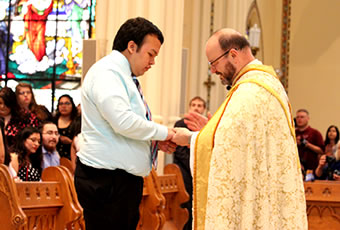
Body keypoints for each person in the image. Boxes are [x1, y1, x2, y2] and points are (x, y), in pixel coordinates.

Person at [171, 28, 307, 229]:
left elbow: (230, 145)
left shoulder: (249, 92)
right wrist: (210, 131)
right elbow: (242, 140)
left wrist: (192, 139)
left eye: (213, 63)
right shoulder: (268, 84)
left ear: (233, 55)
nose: (213, 71)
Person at [74, 17, 176, 230]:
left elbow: (124, 127)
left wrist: (154, 141)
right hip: (107, 179)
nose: (153, 62)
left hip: (118, 179)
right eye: (151, 54)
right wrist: (165, 132)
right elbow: (123, 121)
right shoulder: (108, 72)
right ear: (132, 46)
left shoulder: (122, 75)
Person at [173, 96, 206, 230]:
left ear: (204, 109)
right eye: (194, 105)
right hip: (184, 172)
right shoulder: (181, 124)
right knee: (186, 205)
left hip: (199, 173)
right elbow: (180, 152)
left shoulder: (207, 126)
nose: (196, 107)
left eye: (199, 105)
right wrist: (195, 165)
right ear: (189, 107)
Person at [0, 87, 39, 152]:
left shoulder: (25, 117)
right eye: (0, 103)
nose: (2, 107)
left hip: (19, 155)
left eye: (6, 104)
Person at [53, 94, 78, 160]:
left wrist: (71, 142)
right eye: (61, 104)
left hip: (72, 157)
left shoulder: (77, 122)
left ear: (72, 105)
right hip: (54, 156)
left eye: (67, 103)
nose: (63, 106)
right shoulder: (53, 121)